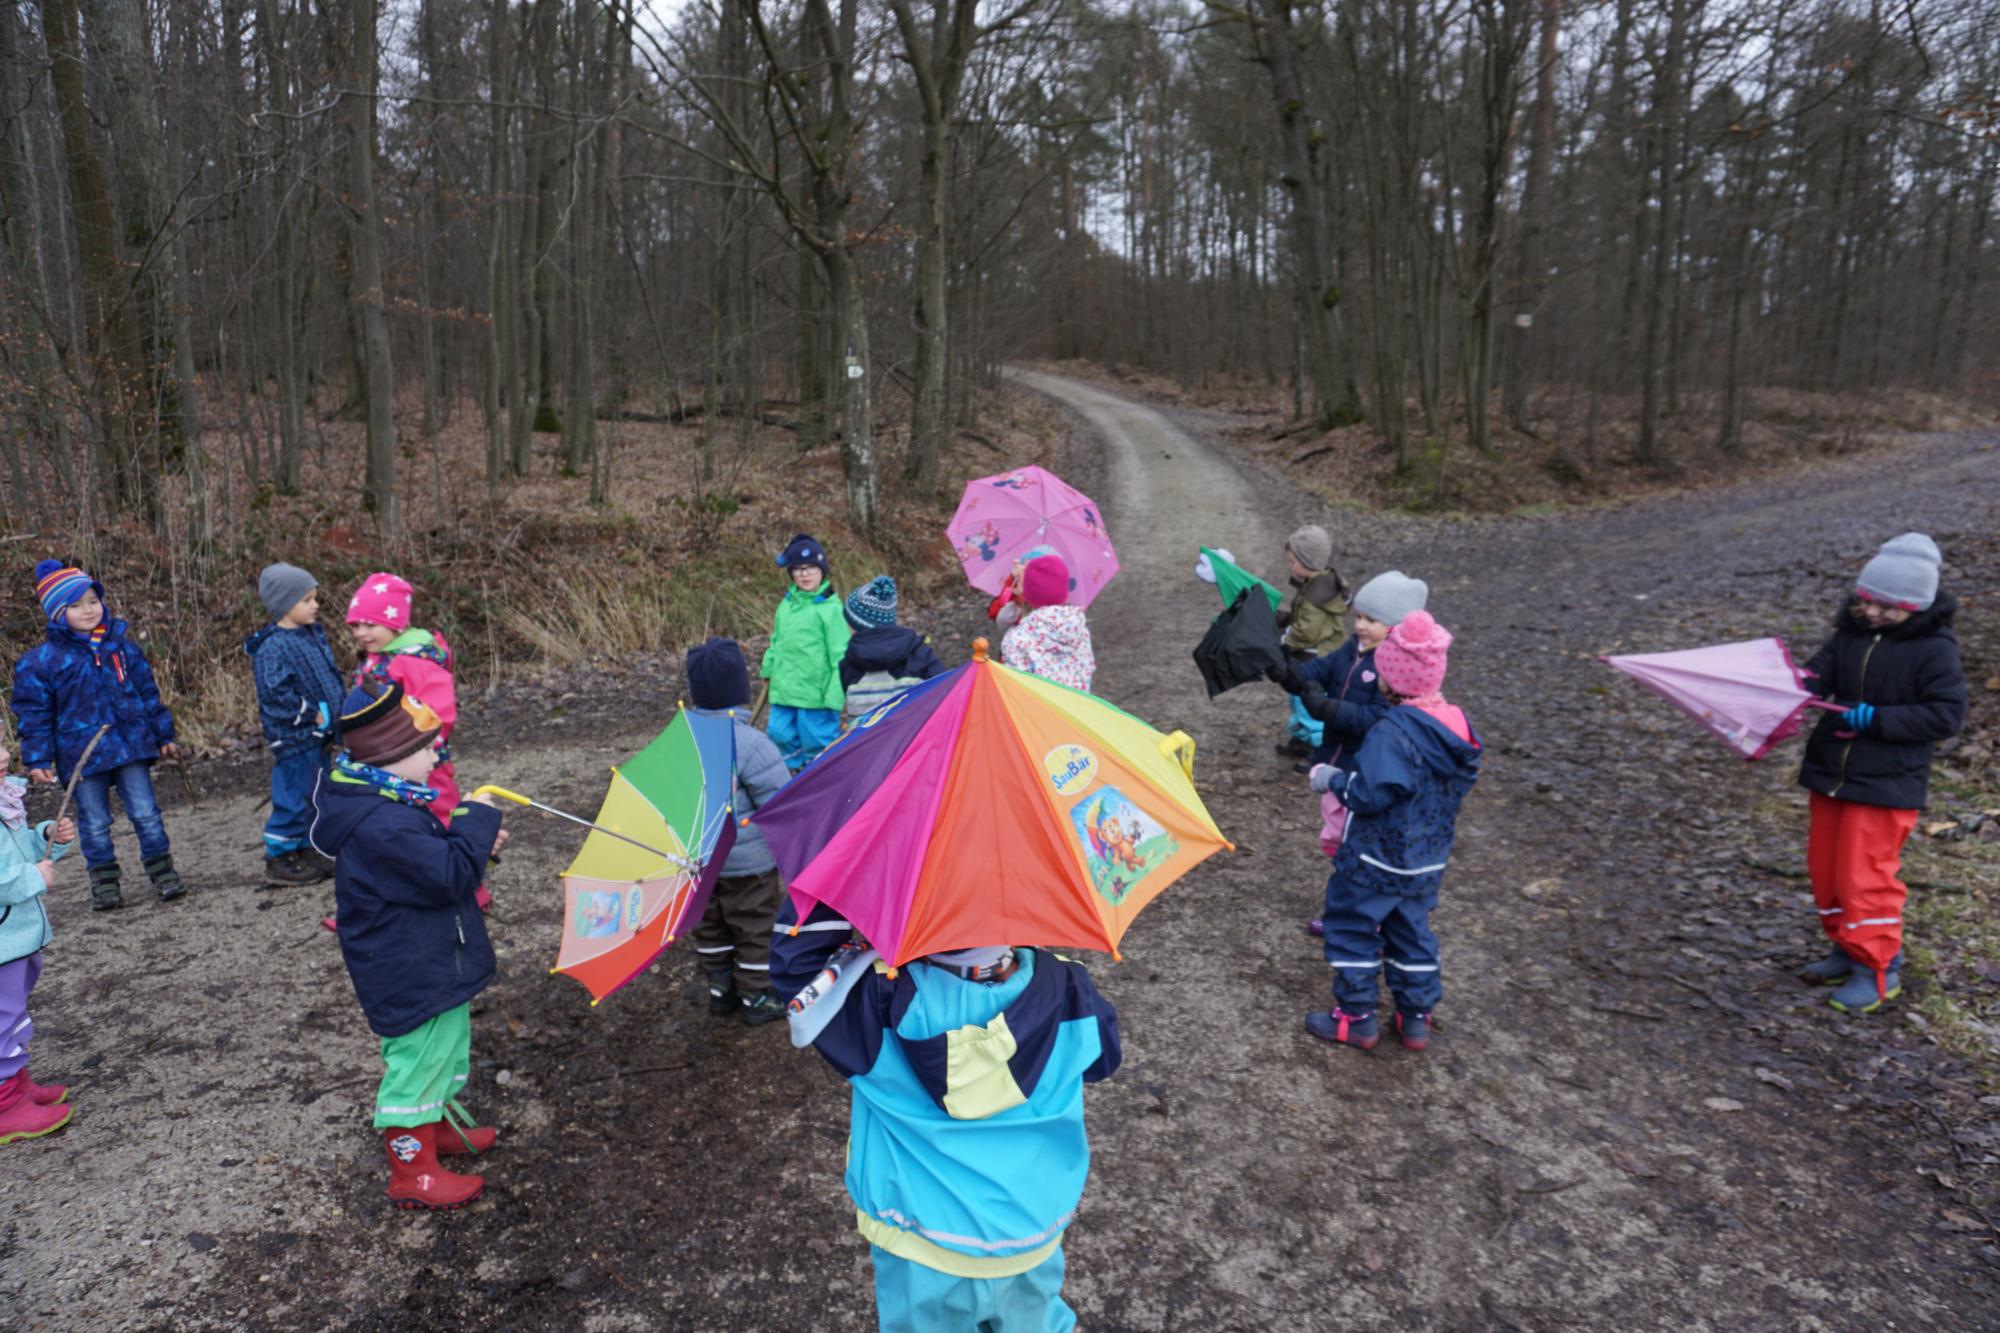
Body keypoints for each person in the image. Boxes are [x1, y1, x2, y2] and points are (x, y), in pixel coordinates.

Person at [774, 924, 1121, 1332]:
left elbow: (797, 971)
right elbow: (1103, 1061)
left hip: (922, 1244)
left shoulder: (873, 1004)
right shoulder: (1068, 985)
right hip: (1029, 1230)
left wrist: (840, 878)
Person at [308, 678, 508, 1210]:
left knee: (443, 1050)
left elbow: (435, 864)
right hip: (408, 967)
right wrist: (475, 825)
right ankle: (412, 1170)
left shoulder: (392, 802)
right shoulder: (383, 823)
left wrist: (473, 841)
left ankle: (434, 1127)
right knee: (417, 1064)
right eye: (427, 749)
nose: (436, 757)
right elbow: (448, 876)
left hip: (428, 956)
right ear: (392, 756)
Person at [1796, 533, 1966, 1014]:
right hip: (1832, 775)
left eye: (1890, 608)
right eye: (1868, 601)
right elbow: (1819, 672)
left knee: (1863, 877)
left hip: (1887, 786)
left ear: (1916, 608)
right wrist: (1797, 683)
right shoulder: (1850, 634)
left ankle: (1877, 967)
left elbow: (1945, 715)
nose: (1874, 613)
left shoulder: (1934, 651)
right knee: (1826, 872)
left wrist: (1879, 719)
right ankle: (1846, 947)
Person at [1306, 610, 1480, 1054]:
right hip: (1427, 858)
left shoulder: (1392, 732)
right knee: (1411, 931)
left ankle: (1357, 1017)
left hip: (1374, 859)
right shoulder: (1456, 725)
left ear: (1390, 678)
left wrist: (1333, 778)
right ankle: (1415, 1016)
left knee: (1351, 928)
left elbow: (1369, 795)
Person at [10, 561, 182, 909]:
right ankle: (104, 881)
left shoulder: (121, 648)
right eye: (75, 605)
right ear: (58, 613)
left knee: (145, 811)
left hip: (130, 744)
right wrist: (39, 757)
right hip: (81, 753)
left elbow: (148, 694)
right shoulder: (43, 661)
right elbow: (34, 713)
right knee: (94, 820)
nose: (88, 610)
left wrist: (163, 734)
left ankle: (162, 870)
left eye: (92, 601)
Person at [1272, 569, 1428, 937]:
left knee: (1356, 848)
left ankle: (1355, 917)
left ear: (1396, 627)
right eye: (1358, 616)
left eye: (1371, 620)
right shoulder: (1351, 651)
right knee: (1336, 842)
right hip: (1334, 761)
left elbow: (1376, 717)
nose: (1360, 625)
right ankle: (1352, 910)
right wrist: (1285, 670)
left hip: (1365, 773)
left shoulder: (1393, 669)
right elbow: (1318, 671)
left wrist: (1324, 709)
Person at [342, 571, 488, 921]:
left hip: (425, 764)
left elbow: (439, 712)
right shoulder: (379, 659)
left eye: (370, 625)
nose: (361, 633)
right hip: (385, 763)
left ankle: (471, 890)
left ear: (395, 624)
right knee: (398, 828)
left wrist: (419, 749)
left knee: (443, 820)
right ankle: (402, 894)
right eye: (355, 626)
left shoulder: (415, 660)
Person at [684, 637, 793, 1025]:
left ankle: (720, 989)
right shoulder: (752, 744)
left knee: (709, 924)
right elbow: (780, 803)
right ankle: (755, 997)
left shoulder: (682, 739)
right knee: (754, 929)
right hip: (749, 865)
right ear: (741, 692)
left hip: (698, 860)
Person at [246, 563, 346, 887]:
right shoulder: (273, 646)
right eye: (306, 600)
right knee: (294, 795)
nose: (315, 605)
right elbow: (275, 694)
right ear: (285, 605)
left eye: (315, 598)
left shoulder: (309, 636)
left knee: (316, 793)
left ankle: (307, 846)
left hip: (317, 735)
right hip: (294, 736)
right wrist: (310, 713)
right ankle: (279, 855)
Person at [0, 743, 76, 1147]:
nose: (2, 753)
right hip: (2, 941)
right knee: (0, 1017)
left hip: (15, 938)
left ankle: (16, 1084)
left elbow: (15, 855)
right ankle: (4, 1107)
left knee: (11, 1014)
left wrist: (46, 837)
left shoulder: (3, 797)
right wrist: (33, 877)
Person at [762, 534, 851, 770]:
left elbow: (840, 655)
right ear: (791, 573)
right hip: (785, 688)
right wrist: (769, 668)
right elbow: (777, 640)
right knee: (779, 734)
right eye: (798, 569)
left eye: (811, 568)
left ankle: (818, 779)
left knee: (817, 741)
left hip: (816, 694)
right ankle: (792, 776)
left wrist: (835, 696)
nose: (805, 574)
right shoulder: (787, 605)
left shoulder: (830, 609)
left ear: (822, 570)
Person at [1273, 526, 1347, 759]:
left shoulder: (1315, 597)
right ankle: (1302, 738)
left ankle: (1316, 745)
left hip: (1314, 655)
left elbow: (1307, 631)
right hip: (1309, 654)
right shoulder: (1317, 585)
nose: (1290, 566)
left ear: (1308, 561)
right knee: (1298, 698)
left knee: (1307, 699)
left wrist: (1285, 639)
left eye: (1293, 561)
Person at [839, 575, 948, 724]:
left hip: (867, 743)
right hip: (914, 739)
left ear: (855, 626)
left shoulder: (848, 663)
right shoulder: (920, 653)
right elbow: (944, 690)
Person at [998, 554, 1096, 692]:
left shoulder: (1016, 639)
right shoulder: (1079, 628)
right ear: (1065, 592)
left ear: (1026, 593)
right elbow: (1086, 670)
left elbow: (1013, 689)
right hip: (1077, 709)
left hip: (1038, 712)